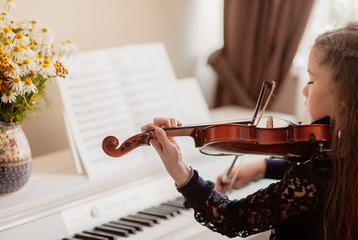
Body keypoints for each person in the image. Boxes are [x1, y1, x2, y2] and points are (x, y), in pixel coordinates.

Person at [141, 21, 358, 240]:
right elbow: (311, 162)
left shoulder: (310, 183)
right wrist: (260, 167)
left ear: (344, 97)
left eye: (311, 80)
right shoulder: (344, 156)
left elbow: (228, 218)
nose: (304, 89)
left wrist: (178, 169)